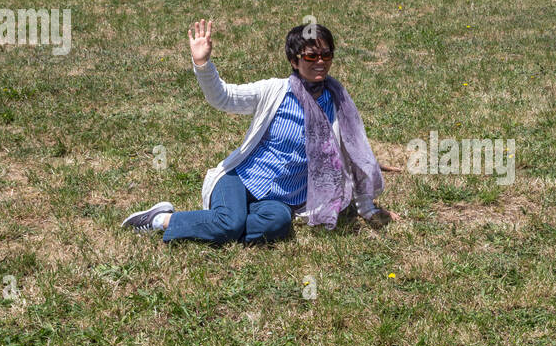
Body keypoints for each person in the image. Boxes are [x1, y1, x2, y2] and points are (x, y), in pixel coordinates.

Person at [122, 20, 395, 243]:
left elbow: (354, 158)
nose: (320, 61)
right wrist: (203, 65)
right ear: (293, 60)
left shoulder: (339, 103)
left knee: (278, 225)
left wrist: (368, 208)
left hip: (281, 199)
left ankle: (219, 222)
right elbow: (224, 98)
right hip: (240, 179)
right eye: (311, 56)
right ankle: (161, 219)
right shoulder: (275, 91)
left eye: (326, 55)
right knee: (229, 225)